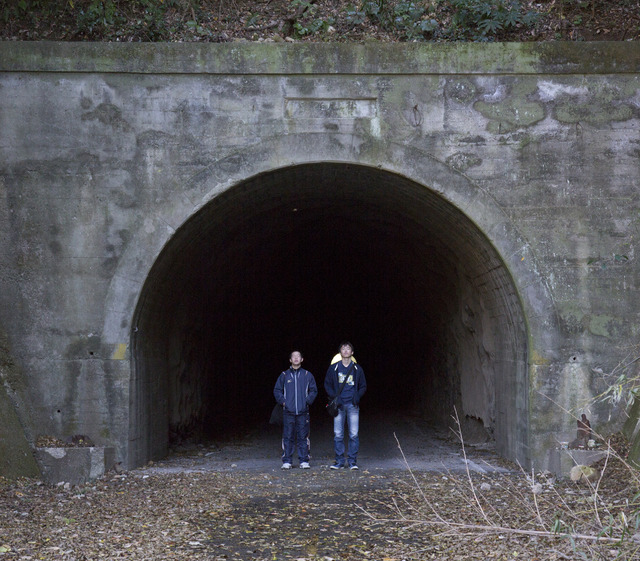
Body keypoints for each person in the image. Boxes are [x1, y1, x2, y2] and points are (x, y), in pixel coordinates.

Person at [324, 342, 367, 470]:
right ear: (340, 353)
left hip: (353, 405)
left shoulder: (357, 369)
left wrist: (357, 396)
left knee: (354, 434)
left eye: (348, 349)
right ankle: (339, 462)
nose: (346, 350)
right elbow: (327, 384)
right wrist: (335, 397)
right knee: (338, 434)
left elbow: (363, 386)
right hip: (339, 406)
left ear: (352, 353)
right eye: (343, 348)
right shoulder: (334, 368)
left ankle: (352, 462)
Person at [273, 351, 318, 469]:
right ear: (290, 360)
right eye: (294, 356)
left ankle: (304, 460)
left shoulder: (307, 375)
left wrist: (307, 401)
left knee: (303, 436)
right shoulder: (284, 375)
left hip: (303, 412)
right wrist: (283, 402)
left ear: (302, 359)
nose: (296, 358)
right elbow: (277, 390)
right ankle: (287, 461)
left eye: (298, 356)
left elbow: (314, 390)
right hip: (288, 412)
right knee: (288, 436)